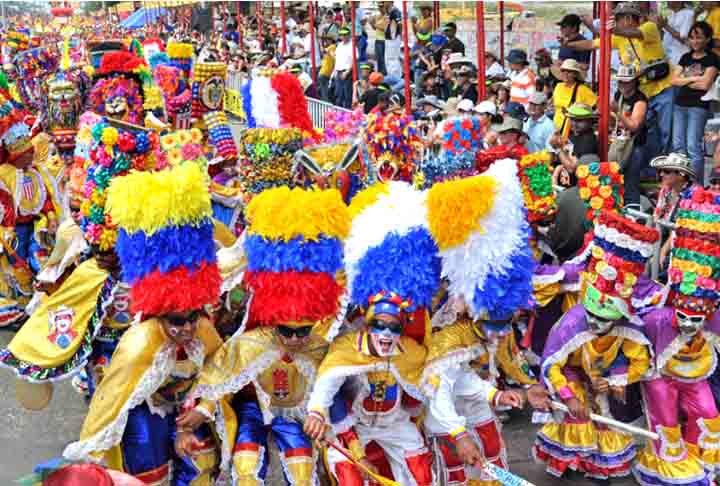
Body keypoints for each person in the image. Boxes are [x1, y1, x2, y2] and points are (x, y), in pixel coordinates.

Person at [63, 162, 224, 485]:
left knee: (203, 460)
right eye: (177, 321)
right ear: (158, 313)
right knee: (146, 464)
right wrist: (88, 457)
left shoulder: (204, 329)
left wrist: (202, 409)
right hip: (145, 411)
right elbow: (109, 402)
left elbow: (222, 369)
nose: (188, 329)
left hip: (188, 411)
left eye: (193, 317)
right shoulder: (140, 341)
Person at [184, 187, 350, 485]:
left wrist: (321, 417)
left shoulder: (318, 347)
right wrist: (204, 409)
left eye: (303, 331)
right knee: (245, 468)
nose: (296, 340)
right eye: (287, 330)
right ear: (274, 322)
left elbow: (333, 389)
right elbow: (219, 375)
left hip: (292, 418)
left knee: (302, 474)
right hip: (254, 413)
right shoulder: (253, 341)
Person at [534, 210, 658, 482]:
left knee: (604, 413)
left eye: (605, 319)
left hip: (603, 372)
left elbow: (641, 362)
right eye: (593, 317)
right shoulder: (572, 323)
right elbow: (551, 363)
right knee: (577, 413)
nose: (597, 324)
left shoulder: (629, 326)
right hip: (570, 370)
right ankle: (566, 458)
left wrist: (617, 380)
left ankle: (597, 463)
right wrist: (567, 394)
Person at [636, 186, 720, 486]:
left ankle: (702, 467)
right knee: (666, 424)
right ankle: (668, 474)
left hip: (693, 374)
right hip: (660, 374)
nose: (689, 326)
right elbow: (632, 338)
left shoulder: (714, 319)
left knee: (709, 415)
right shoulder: (658, 318)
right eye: (684, 318)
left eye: (697, 321)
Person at [565, 2, 675, 157]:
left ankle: (668, 167)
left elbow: (634, 33)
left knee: (666, 132)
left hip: (663, 90)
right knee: (646, 132)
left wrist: (615, 30)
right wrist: (569, 44)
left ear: (629, 18)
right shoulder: (619, 37)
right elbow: (592, 44)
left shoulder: (649, 27)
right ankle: (652, 169)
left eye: (618, 18)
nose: (615, 21)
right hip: (644, 92)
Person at [671, 21, 719, 186]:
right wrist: (695, 78)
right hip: (680, 105)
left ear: (707, 39)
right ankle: (681, 183)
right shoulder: (685, 57)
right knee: (678, 146)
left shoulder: (712, 58)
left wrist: (685, 79)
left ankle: (695, 186)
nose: (695, 41)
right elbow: (674, 80)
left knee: (693, 146)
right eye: (691, 38)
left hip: (698, 107)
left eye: (699, 37)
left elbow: (705, 85)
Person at [613, 63, 649, 208]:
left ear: (634, 81)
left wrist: (618, 114)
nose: (622, 84)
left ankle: (633, 218)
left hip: (635, 147)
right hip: (621, 144)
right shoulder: (618, 95)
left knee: (630, 183)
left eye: (626, 81)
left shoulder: (640, 100)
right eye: (620, 81)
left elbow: (634, 125)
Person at [650, 153, 695, 265]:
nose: (661, 174)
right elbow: (656, 219)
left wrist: (662, 251)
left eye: (667, 171)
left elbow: (680, 229)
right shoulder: (666, 191)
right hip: (662, 237)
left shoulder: (691, 196)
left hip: (680, 244)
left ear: (680, 175)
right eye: (661, 171)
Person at [552, 58, 597, 138]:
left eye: (569, 71)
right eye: (563, 71)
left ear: (575, 74)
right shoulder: (558, 87)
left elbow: (596, 107)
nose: (565, 74)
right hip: (556, 130)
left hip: (573, 131)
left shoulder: (583, 89)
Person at [332, 27, 355, 109]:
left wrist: (347, 72)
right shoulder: (340, 45)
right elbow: (336, 58)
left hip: (347, 72)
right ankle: (339, 115)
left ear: (349, 35)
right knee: (338, 95)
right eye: (342, 35)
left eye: (345, 34)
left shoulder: (352, 45)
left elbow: (354, 60)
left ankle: (347, 115)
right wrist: (334, 72)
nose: (343, 36)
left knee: (347, 96)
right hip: (338, 71)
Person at [369, 2, 389, 74]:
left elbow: (385, 28)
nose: (380, 8)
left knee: (384, 60)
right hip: (378, 40)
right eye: (379, 7)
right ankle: (380, 75)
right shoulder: (378, 16)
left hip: (384, 41)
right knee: (379, 60)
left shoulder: (387, 16)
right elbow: (375, 28)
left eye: (381, 6)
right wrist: (371, 23)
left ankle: (385, 75)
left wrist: (374, 24)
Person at [318, 32, 337, 102]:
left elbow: (332, 55)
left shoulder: (332, 47)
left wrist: (320, 42)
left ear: (331, 40)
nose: (326, 41)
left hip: (326, 72)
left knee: (325, 91)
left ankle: (326, 103)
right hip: (325, 72)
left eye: (327, 39)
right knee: (324, 90)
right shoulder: (330, 48)